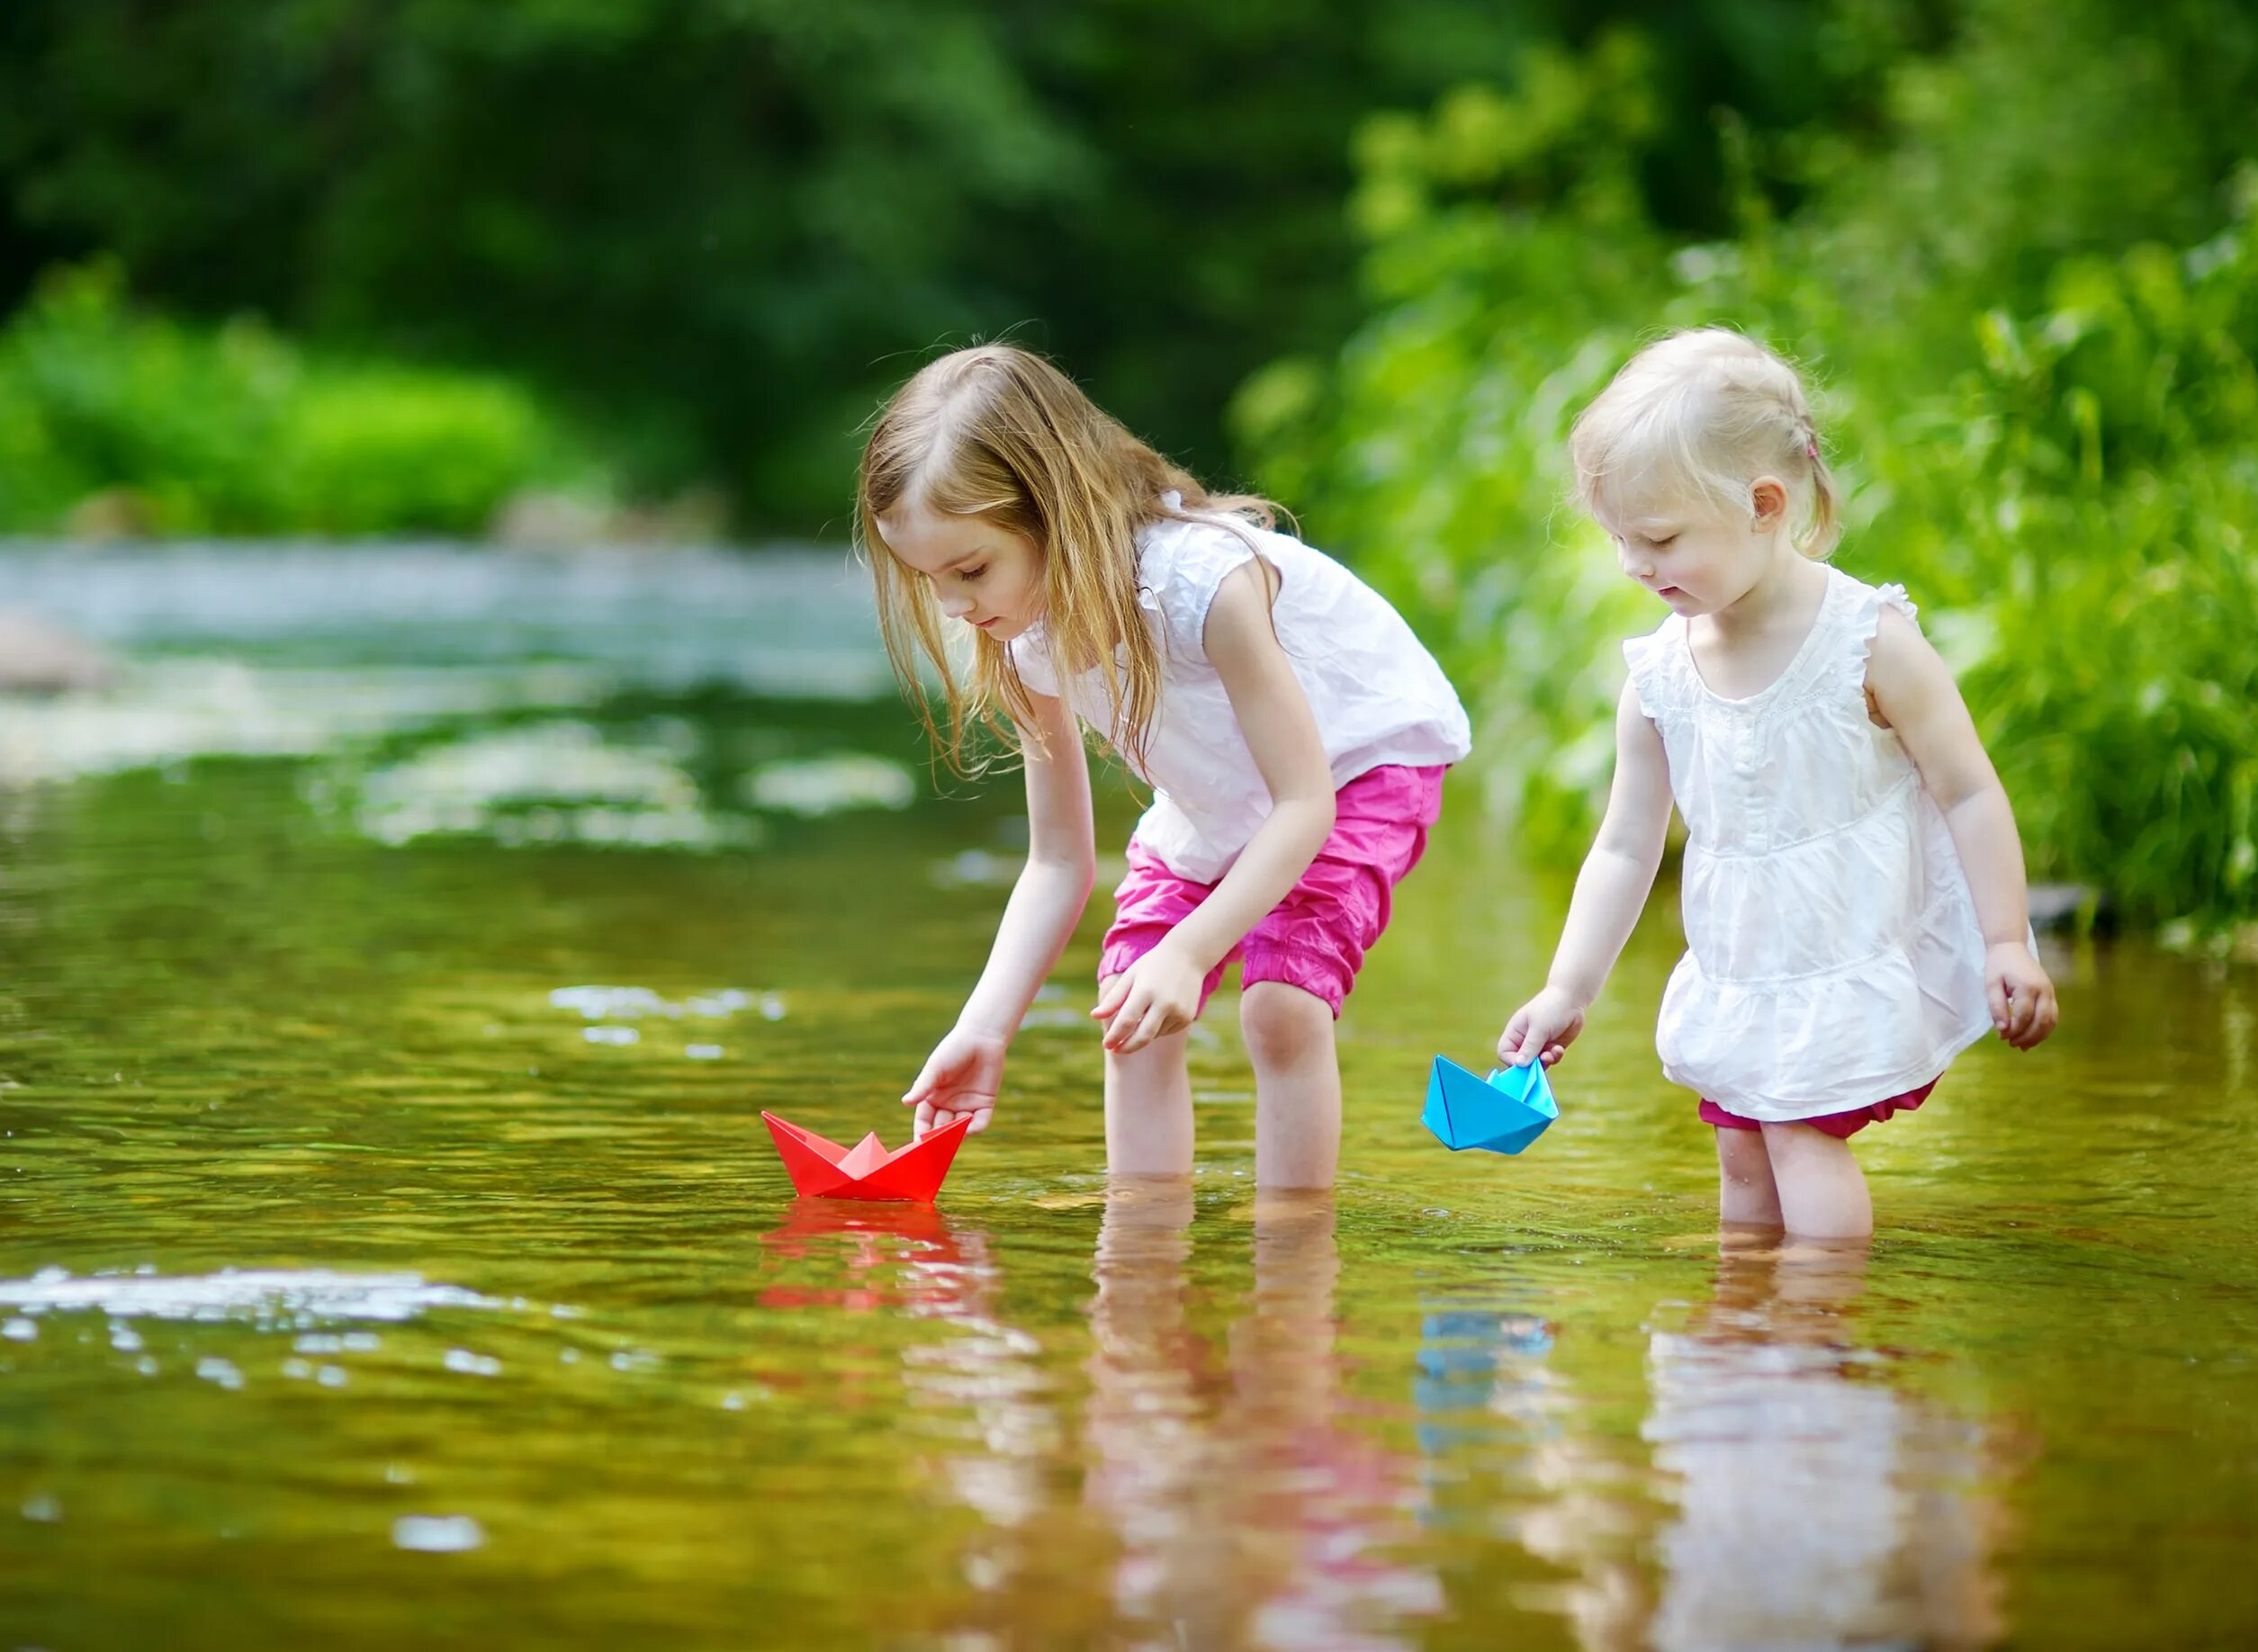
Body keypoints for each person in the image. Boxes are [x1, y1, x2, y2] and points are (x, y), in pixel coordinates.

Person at [1495, 328, 2058, 1239]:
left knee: (1800, 1138)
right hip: (1743, 968)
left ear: (1764, 504)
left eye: (1662, 539)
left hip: (1839, 954)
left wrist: (2005, 940)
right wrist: (1569, 987)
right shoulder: (1660, 677)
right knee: (1743, 1153)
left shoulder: (1866, 641)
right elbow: (1627, 844)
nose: (1636, 566)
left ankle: (1822, 1335)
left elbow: (1967, 788)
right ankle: (1747, 1339)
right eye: (1619, 541)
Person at [862, 344, 1469, 1188]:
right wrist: (986, 1025)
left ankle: (1291, 1270)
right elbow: (1057, 859)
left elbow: (1304, 804)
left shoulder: (1206, 587)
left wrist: (1193, 950)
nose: (956, 605)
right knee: (1130, 1006)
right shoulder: (1015, 632)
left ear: (1060, 513)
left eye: (970, 570)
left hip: (1355, 763)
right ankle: (1141, 1269)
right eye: (929, 580)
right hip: (1216, 796)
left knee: (1282, 1007)